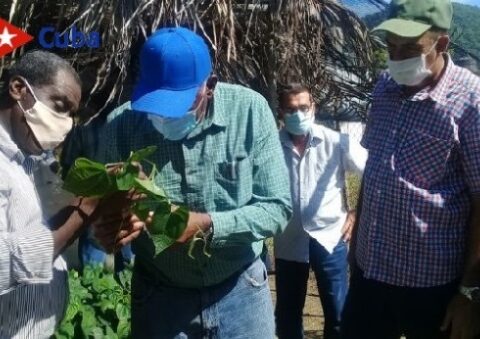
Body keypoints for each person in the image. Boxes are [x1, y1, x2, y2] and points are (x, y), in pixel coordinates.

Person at [94, 27, 292, 338]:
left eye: (181, 103)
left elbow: (277, 208)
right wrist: (116, 222)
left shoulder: (249, 111)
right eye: (155, 103)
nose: (164, 116)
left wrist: (204, 224)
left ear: (210, 85)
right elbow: (106, 209)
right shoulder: (121, 126)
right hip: (161, 298)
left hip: (240, 291)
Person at [342, 0, 480, 338]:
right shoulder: (385, 87)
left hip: (432, 285)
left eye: (410, 48)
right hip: (370, 271)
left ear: (441, 43)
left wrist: (470, 293)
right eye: (391, 47)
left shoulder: (471, 101)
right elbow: (375, 171)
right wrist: (357, 248)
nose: (398, 58)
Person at [0, 50, 143, 338]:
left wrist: (105, 202)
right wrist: (90, 204)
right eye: (60, 105)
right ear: (18, 89)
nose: (66, 124)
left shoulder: (31, 159)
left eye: (72, 114)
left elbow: (47, 226)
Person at [274, 84, 367, 339]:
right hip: (288, 241)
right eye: (291, 109)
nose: (298, 114)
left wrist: (357, 212)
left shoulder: (336, 141)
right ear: (281, 111)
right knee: (287, 315)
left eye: (303, 107)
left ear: (313, 107)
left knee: (338, 314)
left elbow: (372, 173)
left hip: (330, 237)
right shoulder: (270, 146)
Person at [61, 102, 134, 271]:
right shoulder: (132, 123)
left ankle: (93, 291)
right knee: (129, 255)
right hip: (126, 200)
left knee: (93, 267)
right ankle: (122, 286)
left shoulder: (83, 126)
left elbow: (69, 165)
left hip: (93, 203)